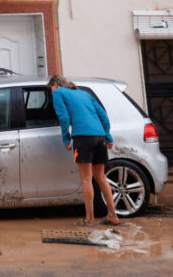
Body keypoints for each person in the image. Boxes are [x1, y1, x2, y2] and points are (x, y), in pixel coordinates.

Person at [48, 75, 120, 227]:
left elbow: (63, 117)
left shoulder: (58, 93)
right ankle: (113, 215)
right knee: (100, 177)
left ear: (55, 85)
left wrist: (66, 139)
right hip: (99, 136)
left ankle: (89, 219)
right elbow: (103, 116)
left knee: (86, 179)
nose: (51, 92)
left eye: (51, 89)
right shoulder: (84, 94)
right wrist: (108, 136)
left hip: (83, 138)